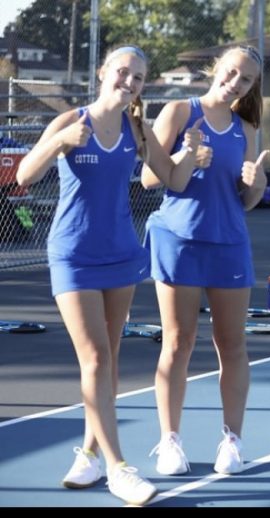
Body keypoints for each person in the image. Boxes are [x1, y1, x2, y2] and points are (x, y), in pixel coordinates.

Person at [16, 45, 198, 505]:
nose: (129, 82)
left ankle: (90, 455)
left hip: (121, 254)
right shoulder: (71, 122)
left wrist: (192, 156)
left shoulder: (137, 127)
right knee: (95, 359)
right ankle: (119, 468)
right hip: (74, 254)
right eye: (123, 73)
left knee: (109, 360)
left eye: (138, 77)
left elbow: (171, 180)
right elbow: (24, 175)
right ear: (103, 73)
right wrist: (59, 144)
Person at [141, 45, 266, 476]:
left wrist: (257, 181)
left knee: (232, 345)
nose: (235, 82)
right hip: (178, 240)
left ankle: (232, 440)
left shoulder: (246, 129)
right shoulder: (179, 111)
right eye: (231, 72)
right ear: (218, 69)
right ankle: (170, 440)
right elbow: (147, 176)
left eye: (246, 78)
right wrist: (185, 157)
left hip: (228, 242)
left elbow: (246, 200)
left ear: (252, 86)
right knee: (178, 343)